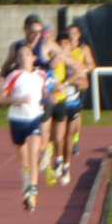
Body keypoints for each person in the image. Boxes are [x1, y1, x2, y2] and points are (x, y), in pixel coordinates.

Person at [0, 43, 49, 212]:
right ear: (17, 60)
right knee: (23, 160)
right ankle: (27, 182)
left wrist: (54, 94)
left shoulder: (42, 75)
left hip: (35, 118)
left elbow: (48, 92)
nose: (23, 57)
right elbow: (0, 99)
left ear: (33, 57)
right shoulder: (14, 76)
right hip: (17, 120)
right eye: (20, 55)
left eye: (27, 54)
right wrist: (17, 100)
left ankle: (32, 191)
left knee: (33, 156)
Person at [46, 33, 89, 186]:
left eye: (66, 44)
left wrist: (70, 82)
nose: (63, 47)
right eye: (61, 44)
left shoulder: (74, 62)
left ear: (71, 46)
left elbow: (85, 83)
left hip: (73, 103)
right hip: (61, 101)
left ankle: (66, 165)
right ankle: (58, 159)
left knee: (69, 136)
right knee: (58, 136)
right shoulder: (55, 61)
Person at [64, 23, 98, 155]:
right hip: (65, 84)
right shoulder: (62, 49)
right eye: (69, 33)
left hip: (78, 84)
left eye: (74, 33)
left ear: (78, 35)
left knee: (76, 115)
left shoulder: (83, 49)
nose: (71, 36)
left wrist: (81, 67)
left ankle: (75, 139)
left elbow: (91, 65)